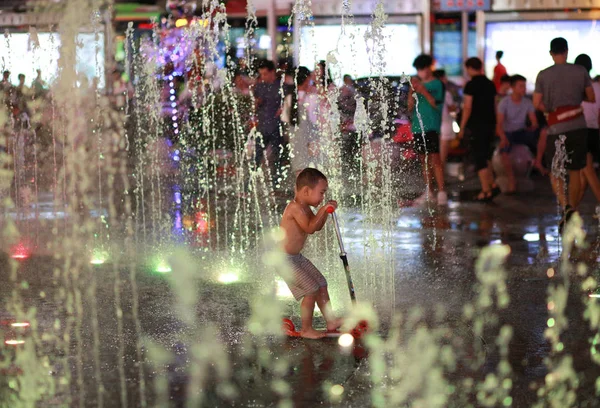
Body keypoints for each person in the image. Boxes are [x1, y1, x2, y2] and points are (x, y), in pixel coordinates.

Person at [533, 37, 595, 231]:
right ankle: (572, 210)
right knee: (576, 170)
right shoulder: (580, 71)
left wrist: (549, 110)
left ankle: (566, 205)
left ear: (551, 53)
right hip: (578, 126)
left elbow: (537, 103)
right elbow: (591, 97)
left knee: (555, 171)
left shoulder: (543, 75)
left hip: (556, 129)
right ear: (567, 51)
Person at [280, 168, 342, 339]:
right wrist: (323, 209)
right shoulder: (295, 208)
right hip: (283, 260)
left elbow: (317, 226)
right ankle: (306, 329)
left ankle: (331, 321)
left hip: (295, 258)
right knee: (311, 289)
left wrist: (325, 212)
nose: (322, 197)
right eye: (321, 193)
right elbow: (309, 227)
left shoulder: (305, 207)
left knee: (321, 283)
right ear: (306, 191)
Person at [458, 57, 499, 201]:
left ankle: (486, 190)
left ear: (469, 68)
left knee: (479, 158)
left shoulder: (470, 85)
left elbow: (467, 107)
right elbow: (495, 106)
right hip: (490, 124)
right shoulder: (490, 84)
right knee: (486, 156)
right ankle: (492, 184)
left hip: (477, 125)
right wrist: (497, 125)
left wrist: (462, 127)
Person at [409, 54, 447, 205]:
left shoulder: (437, 84)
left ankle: (442, 191)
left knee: (435, 159)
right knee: (423, 161)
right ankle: (429, 191)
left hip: (431, 126)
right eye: (418, 69)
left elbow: (436, 104)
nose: (421, 72)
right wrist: (412, 92)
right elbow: (410, 107)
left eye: (423, 69)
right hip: (417, 127)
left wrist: (422, 90)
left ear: (429, 68)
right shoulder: (415, 85)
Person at [496, 74, 539, 193]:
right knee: (504, 151)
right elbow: (499, 125)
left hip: (521, 131)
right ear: (513, 87)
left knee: (541, 134)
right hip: (508, 132)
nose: (524, 89)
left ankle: (538, 162)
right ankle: (511, 180)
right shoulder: (504, 102)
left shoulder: (527, 102)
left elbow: (534, 121)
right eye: (521, 86)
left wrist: (533, 127)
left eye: (524, 86)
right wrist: (503, 137)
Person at [574, 54, 600, 205]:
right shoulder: (597, 87)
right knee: (583, 176)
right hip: (593, 133)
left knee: (588, 173)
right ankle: (571, 212)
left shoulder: (576, 88)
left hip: (579, 131)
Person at [253, 59, 283, 188]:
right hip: (263, 126)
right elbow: (255, 104)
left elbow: (287, 103)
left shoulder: (281, 86)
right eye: (261, 74)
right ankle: (249, 185)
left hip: (276, 126)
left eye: (265, 74)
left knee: (277, 156)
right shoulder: (260, 86)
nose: (263, 77)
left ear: (272, 72)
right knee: (257, 156)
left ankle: (275, 185)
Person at [433, 69, 457, 168]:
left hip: (433, 125)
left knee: (434, 155)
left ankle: (435, 178)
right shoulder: (446, 93)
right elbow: (452, 109)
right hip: (445, 125)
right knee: (442, 156)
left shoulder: (430, 92)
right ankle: (441, 179)